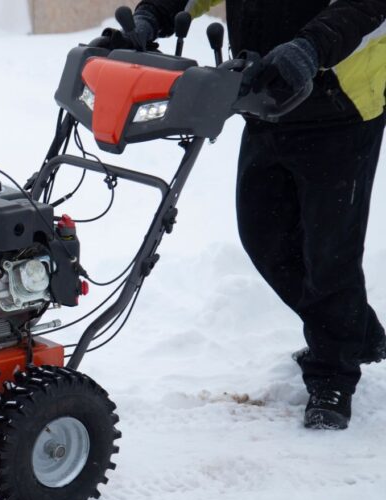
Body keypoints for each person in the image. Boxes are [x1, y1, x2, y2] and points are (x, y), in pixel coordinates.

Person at [101, 0, 386, 429]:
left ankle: (333, 373)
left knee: (331, 251)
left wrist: (312, 47)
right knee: (264, 235)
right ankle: (354, 332)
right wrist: (152, 17)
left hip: (339, 106)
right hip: (266, 95)